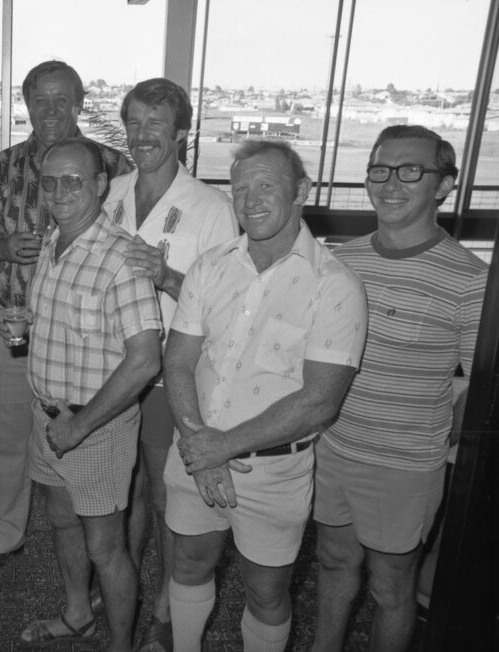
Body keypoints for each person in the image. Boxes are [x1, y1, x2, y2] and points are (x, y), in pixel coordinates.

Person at [164, 139, 367, 652]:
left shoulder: (334, 285)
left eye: (265, 186)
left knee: (267, 593)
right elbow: (180, 360)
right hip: (194, 451)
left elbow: (319, 402)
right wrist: (200, 445)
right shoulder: (210, 267)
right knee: (188, 563)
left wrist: (221, 447)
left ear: (302, 190)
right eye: (238, 189)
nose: (249, 200)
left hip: (274, 471)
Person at [312, 126, 487, 652]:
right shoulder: (341, 260)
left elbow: (480, 391)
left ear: (444, 185)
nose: (391, 184)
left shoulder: (471, 281)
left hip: (403, 467)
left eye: (411, 170)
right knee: (332, 562)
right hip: (331, 449)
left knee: (392, 589)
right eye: (380, 170)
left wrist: (430, 439)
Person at [0, 60, 132, 576]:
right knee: (7, 438)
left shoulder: (116, 167)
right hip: (16, 331)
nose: (51, 110)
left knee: (97, 451)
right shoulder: (4, 166)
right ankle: (2, 536)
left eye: (63, 100)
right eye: (41, 100)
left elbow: (135, 245)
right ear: (27, 104)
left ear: (80, 104)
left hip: (90, 342)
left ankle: (98, 550)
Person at [102, 77, 238, 652]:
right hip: (106, 369)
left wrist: (166, 277)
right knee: (118, 489)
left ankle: (163, 604)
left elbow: (228, 310)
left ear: (182, 132)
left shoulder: (211, 210)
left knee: (162, 497)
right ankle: (125, 592)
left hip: (161, 378)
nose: (142, 135)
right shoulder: (109, 191)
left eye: (155, 124)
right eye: (133, 122)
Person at [15, 137, 162, 651]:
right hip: (49, 419)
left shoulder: (121, 257)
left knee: (107, 548)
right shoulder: (51, 244)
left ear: (100, 186)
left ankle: (120, 645)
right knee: (61, 521)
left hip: (93, 426)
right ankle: (78, 614)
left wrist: (78, 426)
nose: (58, 191)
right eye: (49, 181)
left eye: (73, 180)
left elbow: (145, 359)